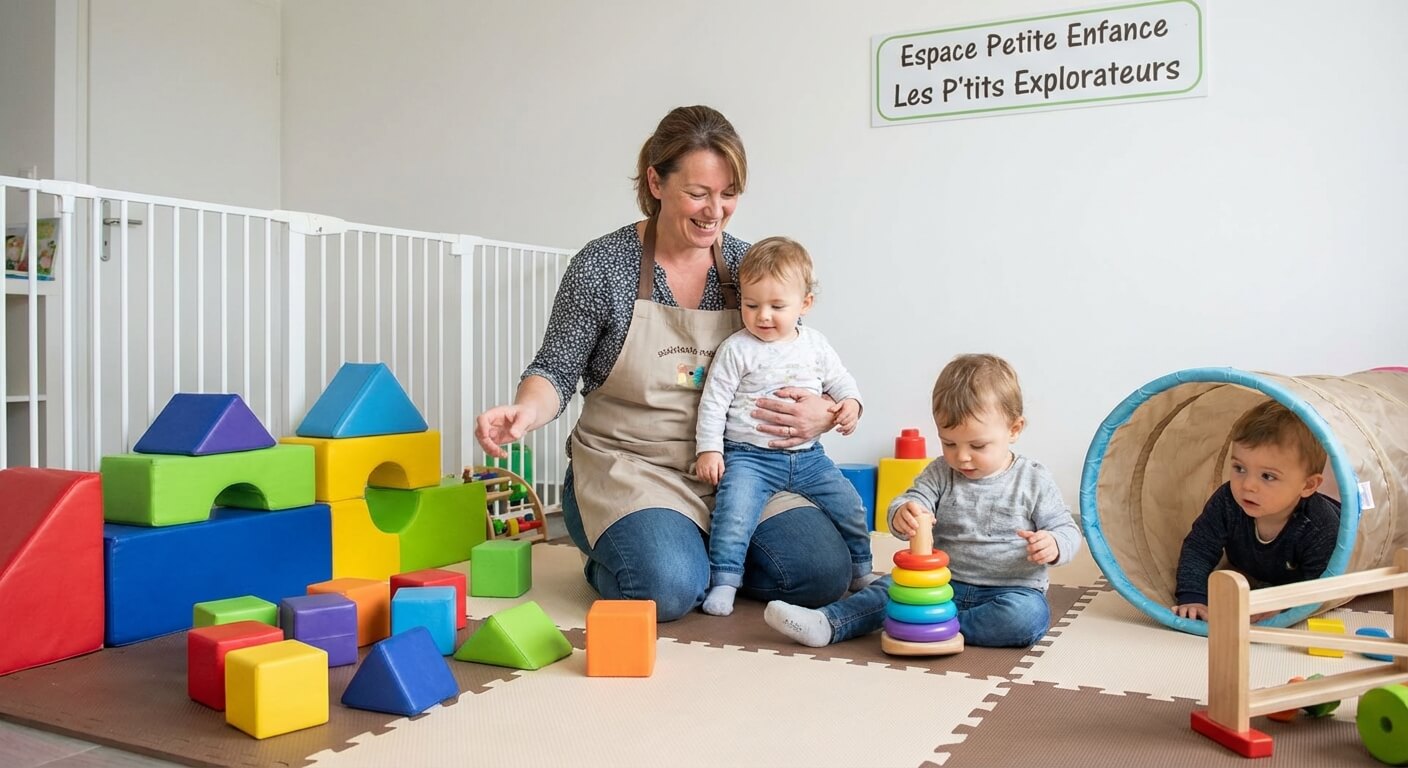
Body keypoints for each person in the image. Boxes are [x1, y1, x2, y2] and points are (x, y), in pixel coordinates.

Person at [473, 105, 852, 621]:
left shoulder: (750, 266)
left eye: (728, 194)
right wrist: (524, 409)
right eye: (697, 193)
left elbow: (803, 355)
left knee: (822, 572)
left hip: (740, 469)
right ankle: (642, 557)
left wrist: (825, 411)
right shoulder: (603, 265)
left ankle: (705, 561)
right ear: (655, 181)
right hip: (632, 468)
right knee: (666, 588)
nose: (713, 211)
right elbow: (556, 369)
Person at [764, 353, 1082, 648]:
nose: (963, 457)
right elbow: (912, 500)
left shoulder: (1034, 479)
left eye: (978, 445)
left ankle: (934, 626)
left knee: (1026, 619)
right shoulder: (941, 473)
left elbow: (1067, 529)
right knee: (883, 590)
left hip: (1010, 591)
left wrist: (1053, 544)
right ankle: (829, 623)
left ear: (1014, 430)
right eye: (949, 443)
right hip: (936, 584)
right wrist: (904, 514)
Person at [694, 236, 872, 616]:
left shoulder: (816, 345)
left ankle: (860, 570)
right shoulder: (737, 348)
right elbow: (713, 402)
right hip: (749, 459)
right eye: (751, 304)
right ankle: (725, 580)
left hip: (809, 458)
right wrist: (709, 448)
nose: (763, 316)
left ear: (805, 304)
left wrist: (851, 405)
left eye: (777, 306)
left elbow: (842, 382)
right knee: (733, 514)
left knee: (851, 506)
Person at [1171, 400, 1340, 621]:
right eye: (1239, 468)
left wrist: (1283, 608)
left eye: (1267, 476)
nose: (1247, 485)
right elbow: (1199, 547)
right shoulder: (1228, 501)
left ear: (1307, 486)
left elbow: (1322, 584)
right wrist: (1193, 595)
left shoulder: (1321, 526)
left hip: (1332, 526)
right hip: (1262, 567)